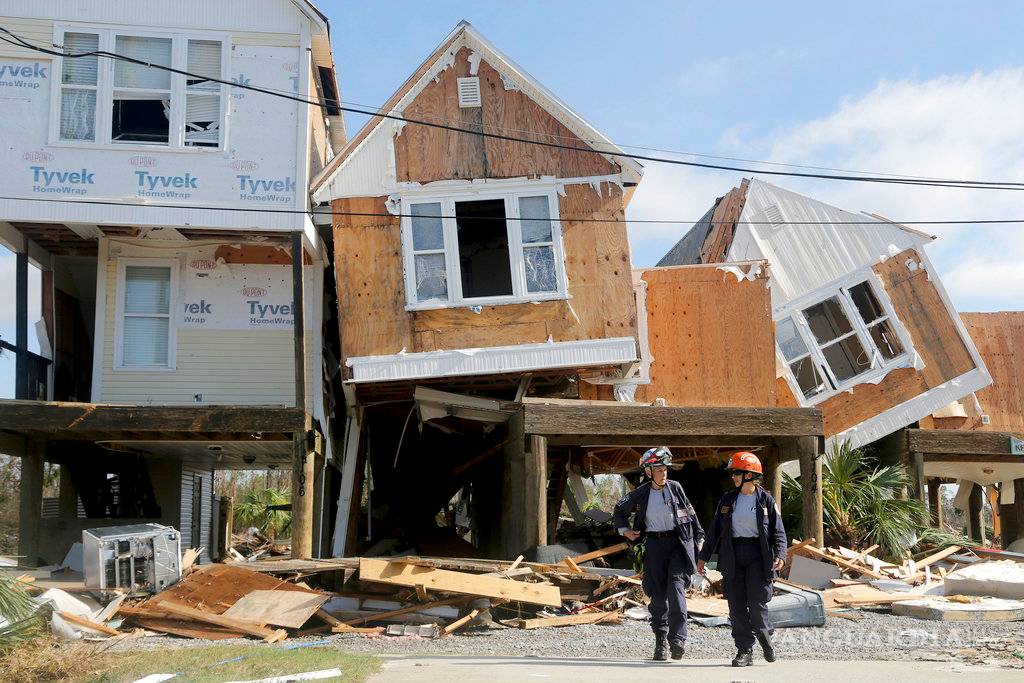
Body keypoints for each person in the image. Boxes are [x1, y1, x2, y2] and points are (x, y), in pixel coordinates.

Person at [612, 447, 704, 662]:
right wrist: (625, 530)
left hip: (677, 545)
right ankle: (661, 640)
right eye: (659, 470)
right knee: (658, 595)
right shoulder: (641, 492)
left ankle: (678, 640)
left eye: (665, 469)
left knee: (676, 589)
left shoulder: (676, 488)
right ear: (648, 472)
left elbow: (691, 515)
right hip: (654, 546)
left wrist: (699, 539)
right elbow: (619, 510)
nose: (664, 473)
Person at [697, 451, 787, 667]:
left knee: (756, 604)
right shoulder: (727, 500)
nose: (733, 477)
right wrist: (702, 558)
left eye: (737, 473)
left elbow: (778, 531)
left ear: (749, 474)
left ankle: (764, 637)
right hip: (733, 555)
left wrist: (781, 555)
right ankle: (744, 650)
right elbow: (714, 531)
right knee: (736, 605)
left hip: (758, 556)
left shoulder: (766, 500)